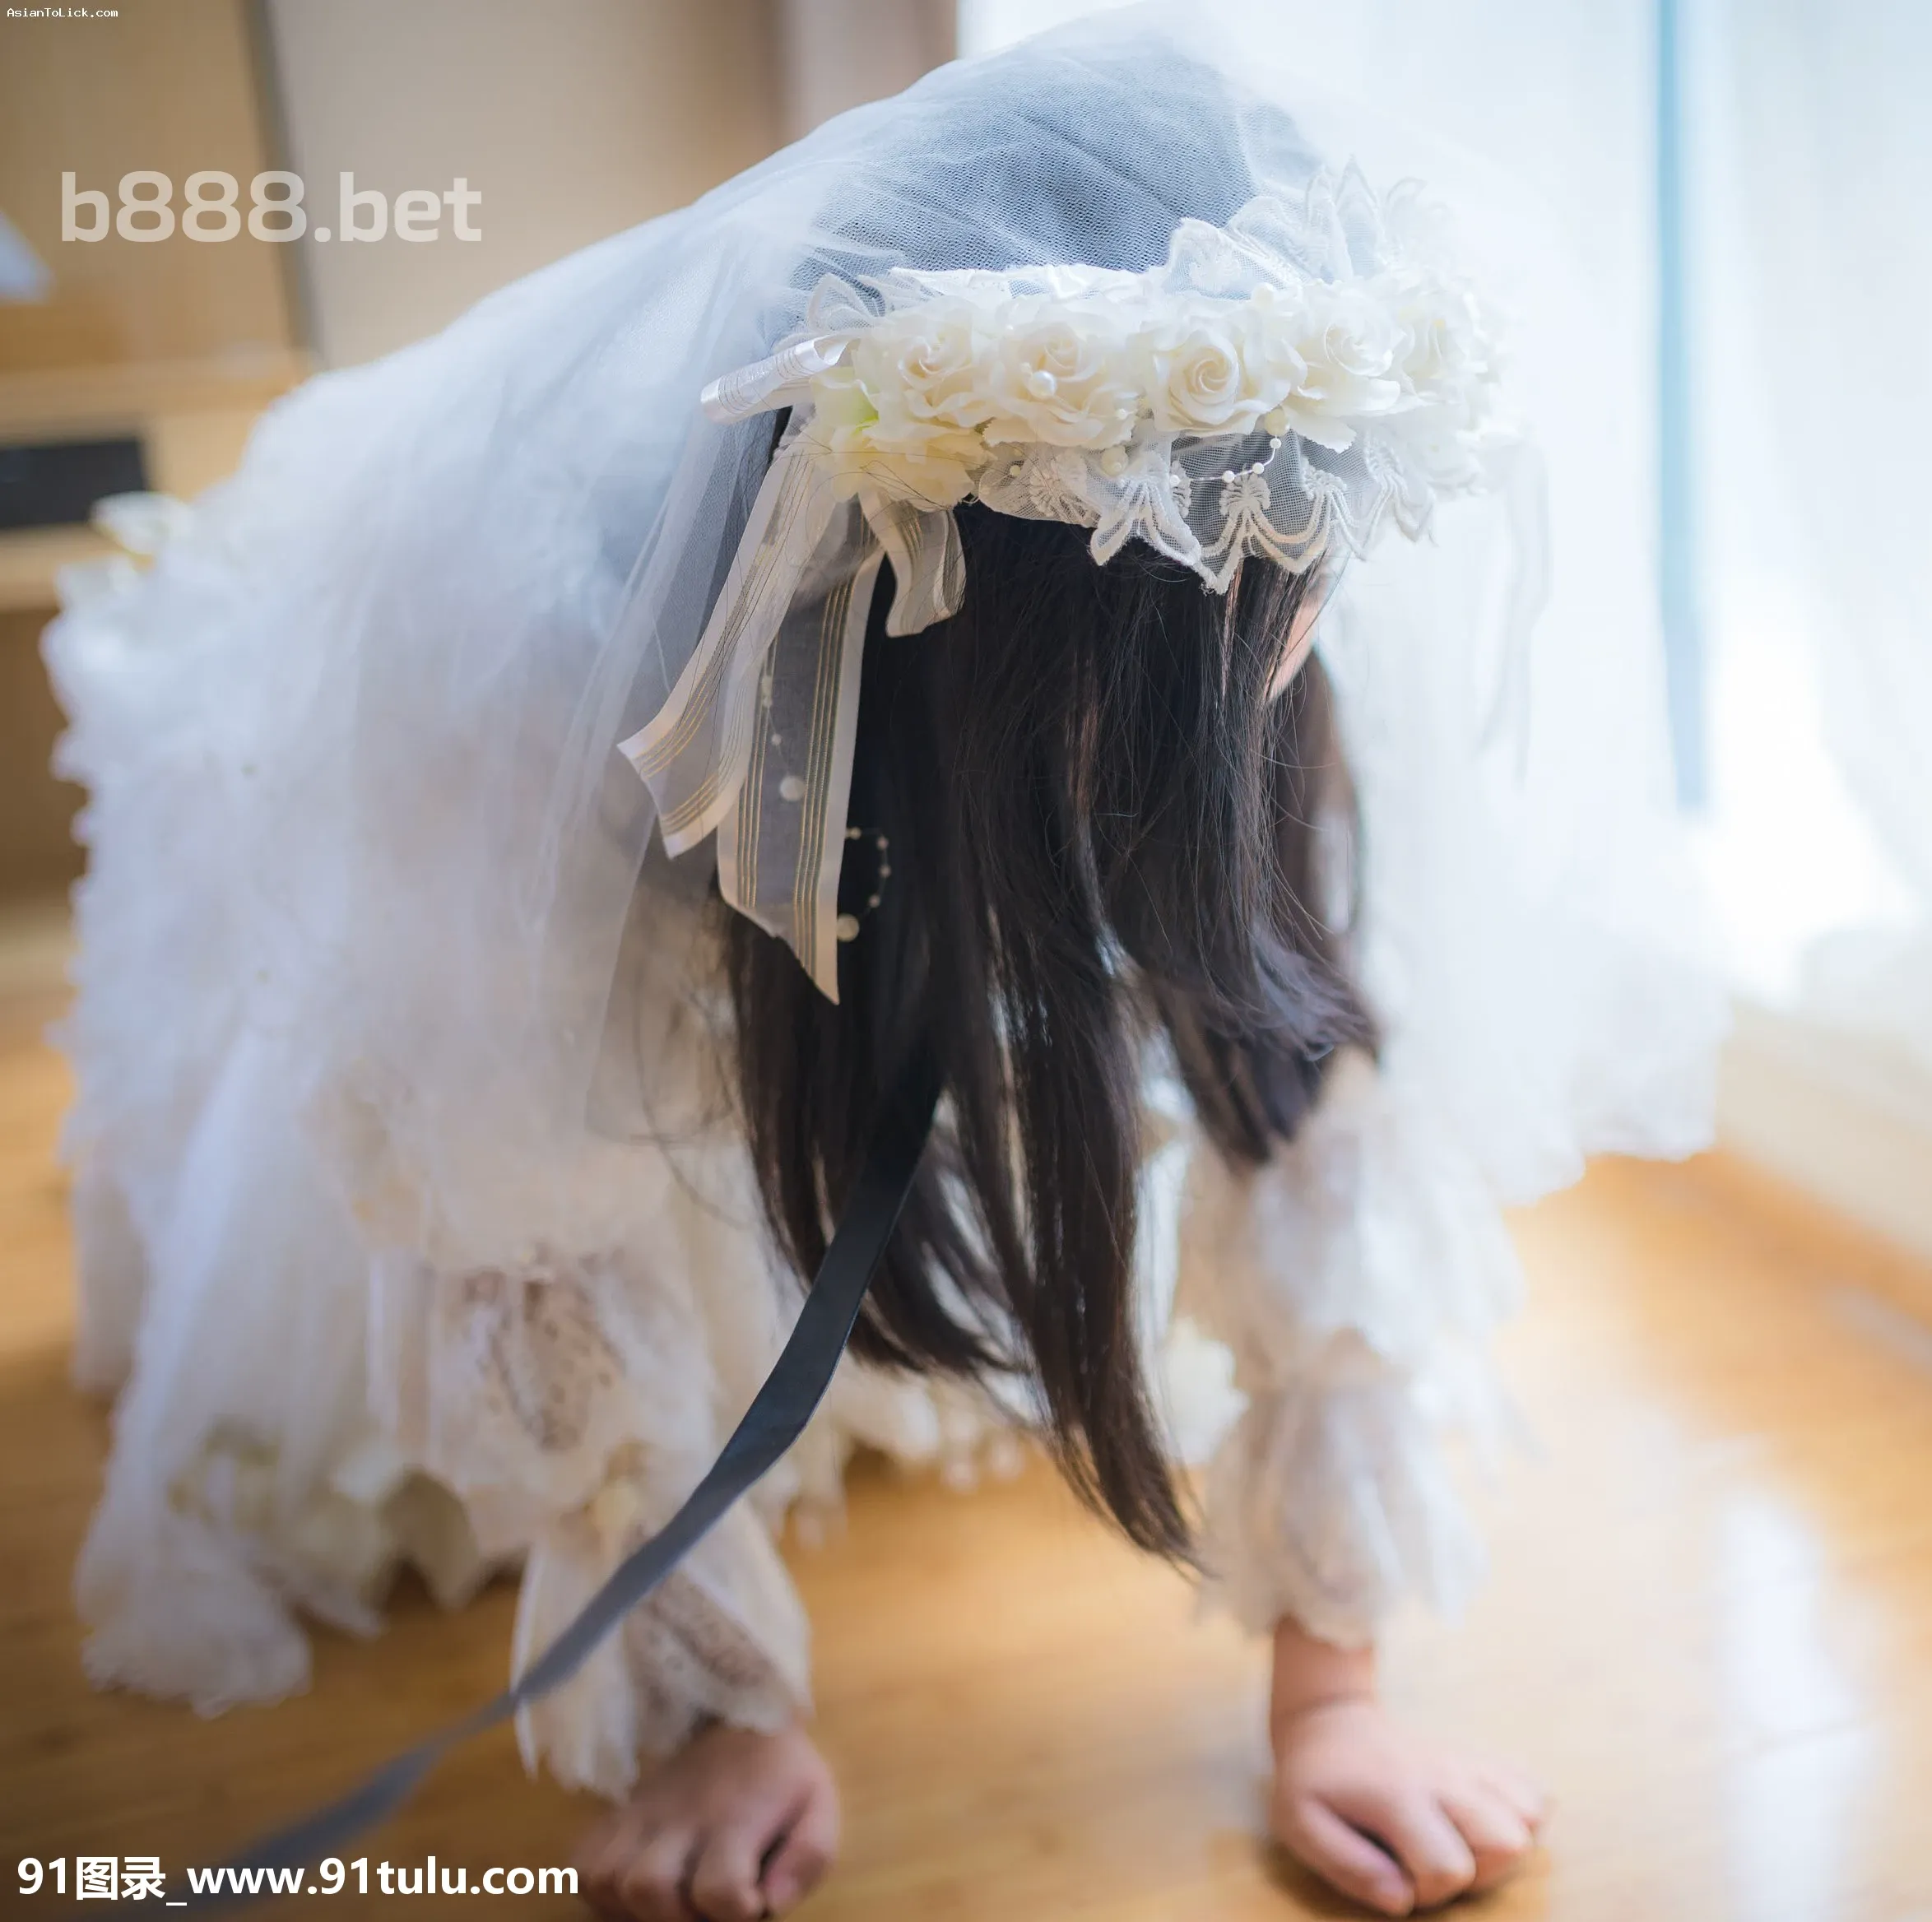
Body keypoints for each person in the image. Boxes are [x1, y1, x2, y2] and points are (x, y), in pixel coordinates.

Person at [44, 13, 1716, 1920]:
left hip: (907, 833)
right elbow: (523, 1215)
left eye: (1290, 593)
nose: (1292, 644)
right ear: (951, 638)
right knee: (466, 1316)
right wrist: (707, 1717)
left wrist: (1333, 1697)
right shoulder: (560, 706)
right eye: (1195, 667)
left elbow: (1306, 1092)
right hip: (605, 924)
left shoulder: (1268, 629)